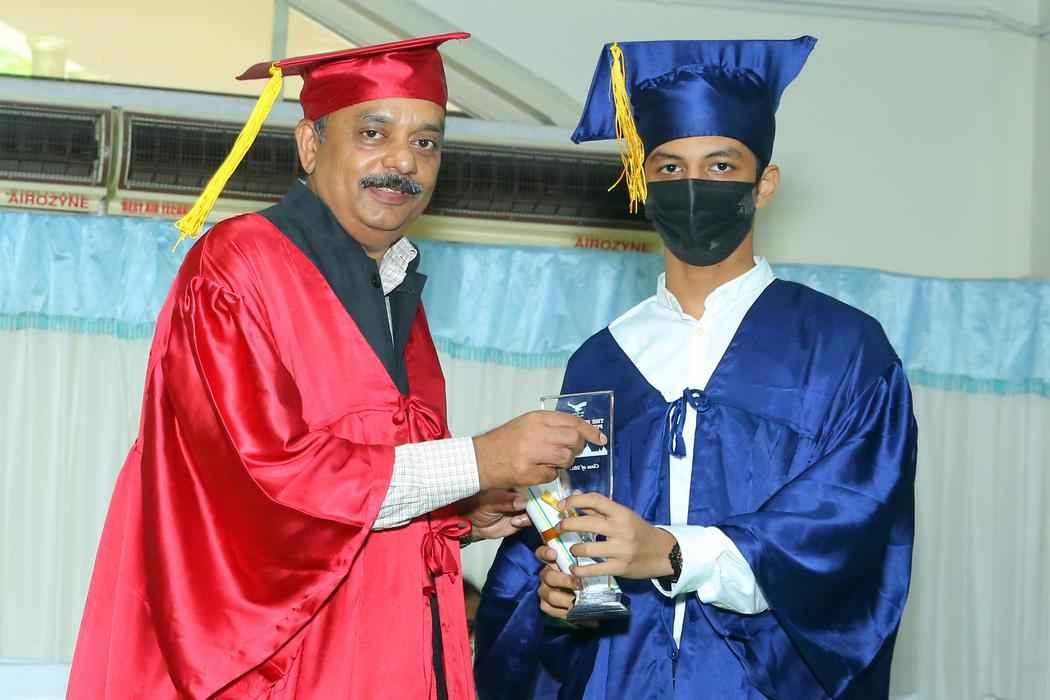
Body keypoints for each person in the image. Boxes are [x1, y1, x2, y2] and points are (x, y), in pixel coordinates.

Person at [67, 33, 602, 700]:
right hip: (287, 670)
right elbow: (263, 484)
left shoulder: (399, 295)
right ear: (310, 144)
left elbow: (369, 485)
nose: (402, 160)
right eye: (374, 133)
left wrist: (458, 513)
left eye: (427, 142)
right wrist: (478, 460)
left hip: (395, 657)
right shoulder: (239, 267)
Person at [475, 37, 917, 699]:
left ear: (764, 185)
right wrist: (562, 598)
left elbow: (850, 532)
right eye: (670, 167)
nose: (693, 187)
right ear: (643, 185)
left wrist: (672, 552)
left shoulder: (845, 352)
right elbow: (563, 536)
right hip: (621, 681)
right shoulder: (604, 359)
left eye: (721, 165)